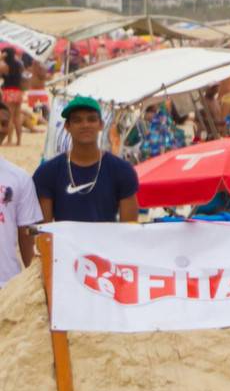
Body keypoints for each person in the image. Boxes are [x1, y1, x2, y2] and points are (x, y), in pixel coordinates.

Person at [34, 96, 139, 223]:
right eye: (77, 120)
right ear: (67, 126)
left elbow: (129, 229)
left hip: (107, 242)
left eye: (91, 119)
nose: (85, 125)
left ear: (101, 125)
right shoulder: (47, 172)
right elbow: (43, 231)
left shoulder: (122, 171)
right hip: (64, 243)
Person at [0, 103, 44, 288]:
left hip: (5, 285)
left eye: (3, 123)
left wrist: (33, 284)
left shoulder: (20, 178)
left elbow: (26, 238)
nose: (0, 129)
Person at [2, 47, 24, 147]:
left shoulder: (4, 65)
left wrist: (1, 58)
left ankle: (9, 140)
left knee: (9, 117)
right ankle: (19, 141)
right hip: (18, 91)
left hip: (8, 91)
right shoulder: (19, 64)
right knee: (17, 117)